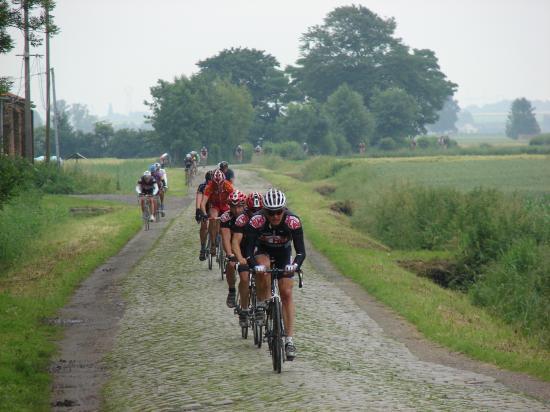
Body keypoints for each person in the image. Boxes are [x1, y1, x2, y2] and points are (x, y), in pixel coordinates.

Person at [244, 188, 306, 361]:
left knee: (286, 292)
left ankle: (289, 340)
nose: (275, 217)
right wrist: (254, 266)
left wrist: (294, 266)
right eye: (271, 213)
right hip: (261, 250)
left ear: (284, 210)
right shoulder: (257, 221)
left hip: (283, 253)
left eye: (279, 212)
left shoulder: (293, 221)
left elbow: (301, 252)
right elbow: (247, 251)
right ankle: (263, 303)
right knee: (263, 267)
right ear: (265, 211)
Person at [229, 191, 264, 326]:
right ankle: (244, 310)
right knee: (244, 278)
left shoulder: (266, 218)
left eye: (259, 211)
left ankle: (264, 303)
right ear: (246, 209)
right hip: (244, 252)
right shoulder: (241, 219)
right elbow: (235, 242)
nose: (255, 215)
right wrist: (240, 258)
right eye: (252, 212)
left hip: (260, 251)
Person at [220, 189, 247, 308]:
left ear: (244, 205)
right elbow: (225, 237)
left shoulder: (250, 215)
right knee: (230, 265)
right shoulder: (226, 217)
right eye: (233, 207)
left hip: (248, 246)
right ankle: (231, 291)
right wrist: (230, 254)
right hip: (233, 245)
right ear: (229, 206)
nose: (236, 210)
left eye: (239, 207)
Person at [200, 169, 234, 258]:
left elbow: (234, 199)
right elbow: (203, 203)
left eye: (221, 183)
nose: (218, 186)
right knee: (213, 218)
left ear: (224, 181)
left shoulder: (228, 185)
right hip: (214, 206)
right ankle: (213, 244)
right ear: (213, 182)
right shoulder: (209, 187)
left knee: (230, 221)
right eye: (216, 184)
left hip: (225, 205)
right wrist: (204, 214)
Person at [195, 170, 214, 260]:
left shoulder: (218, 185)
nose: (211, 183)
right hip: (204, 206)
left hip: (214, 206)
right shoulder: (202, 186)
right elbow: (199, 200)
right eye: (209, 181)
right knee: (204, 226)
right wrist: (198, 210)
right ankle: (203, 248)